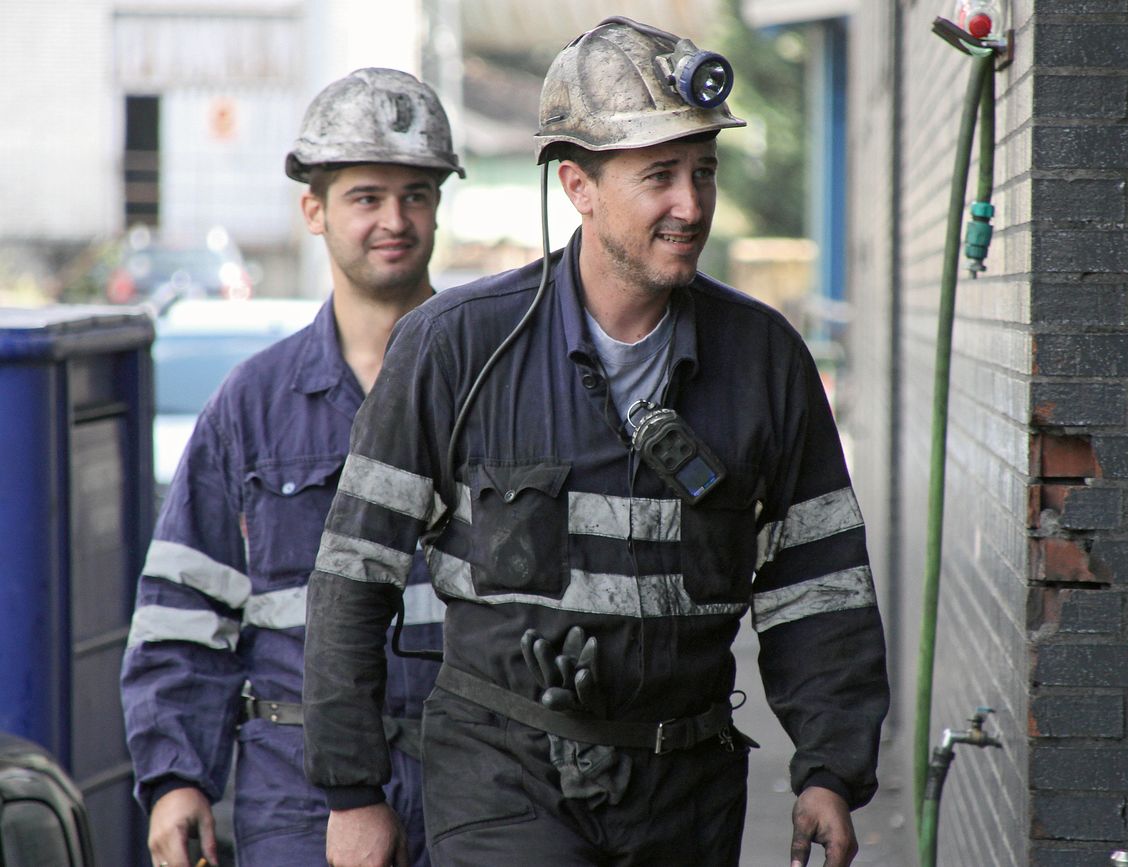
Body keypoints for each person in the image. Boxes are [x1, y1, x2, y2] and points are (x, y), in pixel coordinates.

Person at [303, 18, 890, 867]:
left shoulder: (764, 361)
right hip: (507, 782)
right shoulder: (456, 347)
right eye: (659, 176)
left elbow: (818, 586)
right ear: (577, 184)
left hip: (685, 795)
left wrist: (830, 773)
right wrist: (354, 792)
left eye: (703, 172)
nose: (690, 205)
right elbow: (354, 577)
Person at [120, 67, 463, 867]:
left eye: (416, 194)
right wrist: (177, 777)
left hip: (473, 783)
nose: (395, 219)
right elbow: (185, 607)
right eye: (366, 196)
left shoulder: (489, 387)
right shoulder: (254, 405)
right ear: (314, 209)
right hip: (296, 790)